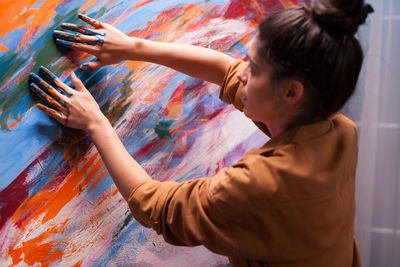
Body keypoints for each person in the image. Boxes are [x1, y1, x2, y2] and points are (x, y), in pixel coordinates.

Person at [28, 0, 374, 266]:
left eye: (253, 69)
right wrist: (133, 48)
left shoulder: (262, 184)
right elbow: (226, 70)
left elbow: (156, 207)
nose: (242, 74)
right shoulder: (337, 129)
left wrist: (96, 123)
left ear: (291, 92)